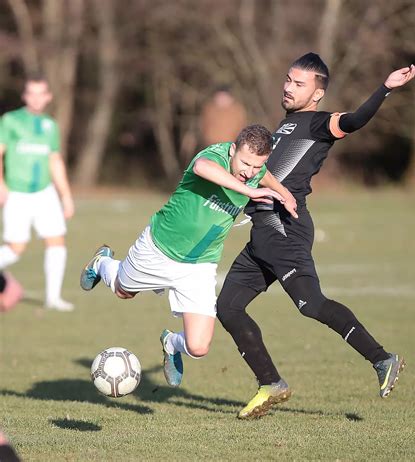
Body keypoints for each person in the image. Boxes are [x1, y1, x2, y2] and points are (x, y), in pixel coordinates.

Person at [216, 53, 415, 419]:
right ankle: (270, 383)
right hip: (263, 234)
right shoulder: (287, 124)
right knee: (227, 308)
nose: (288, 88)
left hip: (285, 230)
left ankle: (382, 359)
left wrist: (384, 89)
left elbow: (354, 121)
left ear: (317, 93)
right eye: (288, 80)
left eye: (299, 84)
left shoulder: (321, 123)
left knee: (310, 303)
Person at [80, 124, 297, 387]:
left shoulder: (255, 169)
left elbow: (264, 175)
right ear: (232, 151)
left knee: (198, 347)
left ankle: (171, 343)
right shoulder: (214, 157)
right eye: (245, 163)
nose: (248, 172)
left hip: (199, 264)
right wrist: (250, 192)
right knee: (123, 291)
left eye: (255, 166)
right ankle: (102, 262)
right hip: (159, 248)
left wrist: (285, 194)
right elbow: (201, 168)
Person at [0, 74, 75, 311]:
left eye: (41, 93)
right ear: (24, 96)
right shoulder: (10, 121)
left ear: (48, 97)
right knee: (16, 247)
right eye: (31, 93)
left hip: (45, 193)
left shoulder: (50, 126)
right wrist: (1, 184)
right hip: (17, 193)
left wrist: (66, 196)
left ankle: (53, 298)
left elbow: (55, 161)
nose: (36, 98)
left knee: (56, 241)